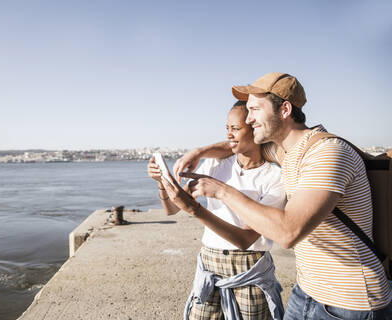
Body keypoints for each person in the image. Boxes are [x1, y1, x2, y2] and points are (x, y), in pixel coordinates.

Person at [174, 72, 392, 319]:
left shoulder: (326, 154)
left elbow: (287, 232)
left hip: (350, 302)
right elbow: (241, 144)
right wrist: (198, 152)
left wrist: (221, 190)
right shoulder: (286, 151)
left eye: (255, 109)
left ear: (285, 110)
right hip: (306, 291)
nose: (248, 118)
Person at [148, 101, 286, 320]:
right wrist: (161, 181)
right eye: (227, 128)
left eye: (236, 128)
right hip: (209, 265)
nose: (229, 134)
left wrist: (196, 210)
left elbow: (246, 239)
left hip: (249, 269)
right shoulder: (215, 165)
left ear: (255, 128)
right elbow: (172, 209)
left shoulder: (274, 177)